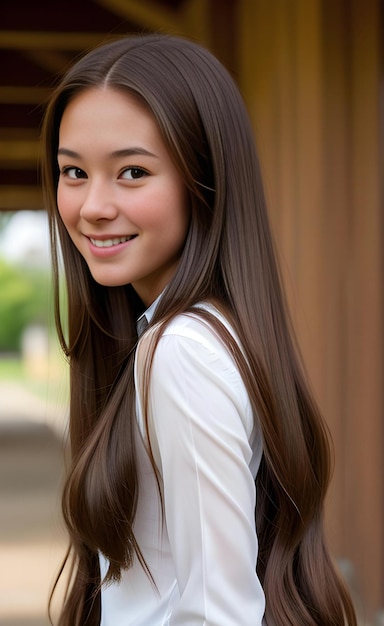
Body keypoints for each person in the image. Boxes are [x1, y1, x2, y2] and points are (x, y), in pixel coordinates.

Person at [41, 33, 357, 626]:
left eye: (132, 171)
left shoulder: (182, 351)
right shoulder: (211, 334)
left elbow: (216, 614)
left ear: (204, 182)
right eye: (73, 172)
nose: (92, 206)